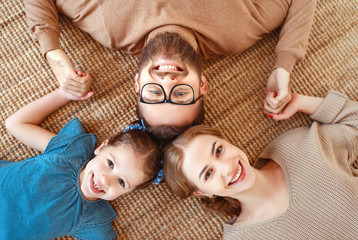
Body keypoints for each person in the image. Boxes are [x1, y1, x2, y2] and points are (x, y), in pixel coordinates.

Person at [24, 0, 317, 139]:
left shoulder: (109, 27)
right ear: (202, 85)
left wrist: (54, 54)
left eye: (154, 93)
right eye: (179, 95)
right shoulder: (237, 32)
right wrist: (284, 66)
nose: (167, 80)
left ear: (137, 83)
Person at [163, 91, 358, 239]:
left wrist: (299, 101)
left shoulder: (294, 147)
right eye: (208, 174)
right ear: (202, 192)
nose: (226, 168)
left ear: (228, 142)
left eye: (219, 151)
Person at [2, 70, 161, 239]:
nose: (105, 180)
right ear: (101, 147)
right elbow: (15, 123)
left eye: (121, 182)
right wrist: (63, 94)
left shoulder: (90, 219)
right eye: (110, 164)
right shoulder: (68, 152)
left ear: (129, 192)